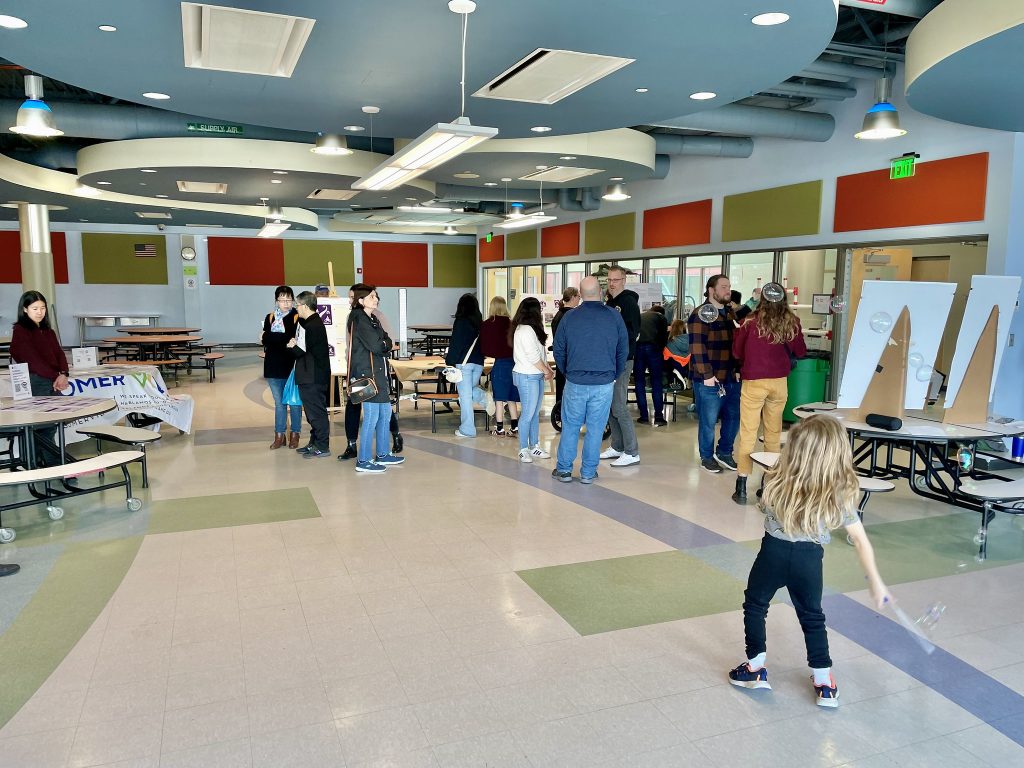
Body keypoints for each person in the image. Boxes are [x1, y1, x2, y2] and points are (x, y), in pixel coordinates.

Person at [728, 414, 891, 709]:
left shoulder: (777, 479)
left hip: (773, 552)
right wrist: (876, 582)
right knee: (812, 616)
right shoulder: (838, 494)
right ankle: (824, 682)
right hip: (809, 559)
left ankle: (754, 668)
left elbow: (764, 504)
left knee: (755, 604)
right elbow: (861, 541)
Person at [731, 290, 806, 504]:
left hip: (753, 381)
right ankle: (768, 486)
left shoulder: (749, 322)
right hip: (779, 382)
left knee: (748, 433)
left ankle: (742, 487)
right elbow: (800, 351)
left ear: (762, 300)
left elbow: (737, 351)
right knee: (773, 433)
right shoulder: (792, 321)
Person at [552, 277, 628, 484]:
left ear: (581, 294)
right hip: (603, 382)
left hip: (575, 381)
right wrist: (614, 373)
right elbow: (623, 349)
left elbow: (558, 349)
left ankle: (565, 470)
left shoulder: (570, 318)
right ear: (601, 292)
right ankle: (587, 472)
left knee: (570, 427)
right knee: (596, 429)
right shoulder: (614, 317)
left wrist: (568, 371)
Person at [339, 284, 403, 460]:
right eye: (372, 297)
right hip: (367, 375)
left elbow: (387, 340)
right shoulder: (358, 318)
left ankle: (383, 454)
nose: (376, 299)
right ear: (361, 301)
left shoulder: (373, 318)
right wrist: (383, 344)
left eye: (376, 296)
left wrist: (384, 344)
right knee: (371, 418)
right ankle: (364, 459)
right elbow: (377, 345)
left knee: (384, 414)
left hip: (379, 372)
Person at [689, 274, 741, 474]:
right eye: (724, 286)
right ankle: (707, 456)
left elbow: (735, 344)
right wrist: (707, 375)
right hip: (708, 379)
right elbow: (697, 347)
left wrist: (736, 370)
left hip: (730, 375)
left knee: (733, 417)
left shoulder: (729, 313)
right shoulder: (701, 313)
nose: (728, 290)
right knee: (709, 421)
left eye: (729, 286)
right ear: (712, 290)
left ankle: (725, 452)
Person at [10, 291, 70, 465]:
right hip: (36, 381)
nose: (39, 312)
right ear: (25, 309)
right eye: (35, 308)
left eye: (42, 308)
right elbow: (32, 360)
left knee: (50, 426)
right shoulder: (20, 331)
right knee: (45, 426)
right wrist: (56, 376)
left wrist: (64, 373)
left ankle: (40, 462)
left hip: (51, 380)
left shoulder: (47, 331)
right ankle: (50, 464)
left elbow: (59, 353)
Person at [601, 265, 641, 466]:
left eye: (615, 280)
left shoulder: (628, 303)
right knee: (610, 406)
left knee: (618, 405)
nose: (611, 283)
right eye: (609, 280)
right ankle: (617, 446)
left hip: (622, 360)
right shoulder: (610, 302)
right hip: (608, 360)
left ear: (624, 281)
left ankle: (632, 451)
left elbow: (631, 333)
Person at [511, 297, 554, 463]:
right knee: (528, 414)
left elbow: (541, 353)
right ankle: (523, 449)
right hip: (526, 376)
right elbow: (532, 356)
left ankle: (534, 445)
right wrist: (546, 371)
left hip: (535, 375)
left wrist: (548, 369)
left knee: (534, 413)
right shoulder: (524, 330)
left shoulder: (532, 329)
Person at [445, 293, 494, 437]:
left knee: (464, 397)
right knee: (469, 391)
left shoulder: (461, 322)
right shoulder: (480, 322)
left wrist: (450, 362)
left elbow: (456, 343)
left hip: (463, 364)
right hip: (478, 363)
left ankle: (467, 429)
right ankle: (484, 397)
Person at [288, 291, 331, 458]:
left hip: (313, 376)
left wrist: (292, 346)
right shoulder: (311, 322)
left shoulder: (312, 325)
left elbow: (302, 352)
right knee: (312, 412)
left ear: (305, 306)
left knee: (316, 412)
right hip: (311, 375)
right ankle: (314, 442)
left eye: (297, 305)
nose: (296, 308)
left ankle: (322, 446)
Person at [260, 285, 302, 450]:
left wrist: (270, 336)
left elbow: (290, 337)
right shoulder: (270, 317)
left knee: (295, 403)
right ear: (276, 301)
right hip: (272, 366)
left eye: (288, 299)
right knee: (279, 404)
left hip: (291, 366)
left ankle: (295, 434)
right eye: (282, 300)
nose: (285, 303)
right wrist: (273, 338)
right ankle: (279, 435)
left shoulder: (297, 317)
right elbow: (265, 341)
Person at [480, 296, 519, 436]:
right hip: (514, 364)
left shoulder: (488, 324)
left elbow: (485, 348)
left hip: (500, 364)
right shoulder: (512, 324)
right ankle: (515, 427)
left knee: (499, 398)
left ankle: (500, 428)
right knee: (512, 397)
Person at [634, 304, 669, 427]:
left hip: (638, 349)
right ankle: (659, 417)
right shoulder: (661, 317)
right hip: (653, 349)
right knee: (656, 382)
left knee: (639, 382)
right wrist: (659, 349)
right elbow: (664, 336)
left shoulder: (641, 315)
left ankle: (643, 416)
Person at [550, 287, 580, 407]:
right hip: (570, 357)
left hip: (561, 355)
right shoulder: (571, 315)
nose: (579, 299)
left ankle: (560, 410)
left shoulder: (559, 314)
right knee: (569, 388)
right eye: (578, 296)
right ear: (573, 297)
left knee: (561, 386)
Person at [664, 318, 690, 391]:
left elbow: (665, 356)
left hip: (674, 365)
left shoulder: (670, 340)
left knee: (666, 359)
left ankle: (674, 379)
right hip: (686, 366)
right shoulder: (691, 339)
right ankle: (685, 377)